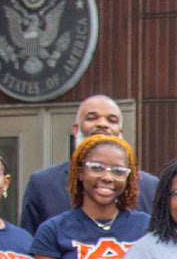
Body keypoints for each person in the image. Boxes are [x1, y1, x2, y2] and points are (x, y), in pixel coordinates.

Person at [18, 94, 161, 228]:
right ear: (76, 129)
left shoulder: (149, 187)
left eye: (112, 120)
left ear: (120, 132)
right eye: (92, 118)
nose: (102, 124)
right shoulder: (43, 184)